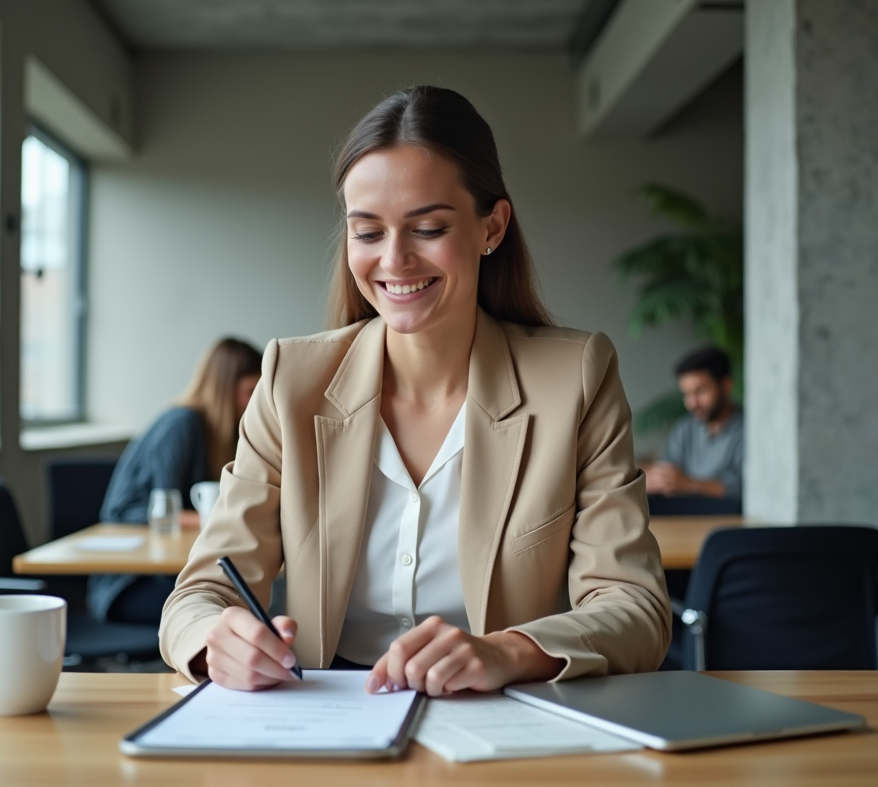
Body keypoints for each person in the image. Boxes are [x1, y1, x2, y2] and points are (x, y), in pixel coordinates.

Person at [160, 86, 670, 697]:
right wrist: (219, 640)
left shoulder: (576, 378)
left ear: (492, 226)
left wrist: (509, 651)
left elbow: (636, 607)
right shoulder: (291, 380)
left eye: (427, 228)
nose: (395, 260)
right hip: (327, 713)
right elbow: (197, 596)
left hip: (501, 708)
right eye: (368, 233)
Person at [86, 338, 263, 625]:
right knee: (228, 612)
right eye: (250, 391)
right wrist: (209, 519)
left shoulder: (217, 435)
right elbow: (155, 510)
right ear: (224, 388)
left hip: (169, 575)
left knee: (240, 600)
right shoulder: (181, 424)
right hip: (128, 584)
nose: (255, 403)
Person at [642, 346, 743, 502]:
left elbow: (744, 488)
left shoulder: (748, 430)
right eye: (687, 394)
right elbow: (666, 473)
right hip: (683, 516)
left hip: (730, 517)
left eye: (700, 391)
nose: (692, 403)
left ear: (726, 385)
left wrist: (688, 484)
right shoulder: (685, 428)